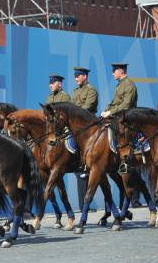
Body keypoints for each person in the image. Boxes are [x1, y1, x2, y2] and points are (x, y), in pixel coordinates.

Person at [71, 67, 98, 209]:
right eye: (75, 76)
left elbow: (88, 107)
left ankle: (84, 162)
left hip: (88, 124)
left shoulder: (91, 90)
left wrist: (73, 113)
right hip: (76, 125)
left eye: (78, 76)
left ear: (85, 76)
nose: (75, 78)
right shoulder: (75, 91)